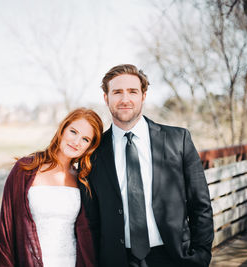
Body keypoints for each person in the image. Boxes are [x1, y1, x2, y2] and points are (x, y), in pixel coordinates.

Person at [85, 64, 214, 267]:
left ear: (143, 96)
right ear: (106, 97)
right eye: (117, 92)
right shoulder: (93, 152)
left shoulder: (177, 140)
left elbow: (201, 204)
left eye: (132, 92)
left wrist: (201, 255)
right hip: (117, 260)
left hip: (174, 258)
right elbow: (92, 219)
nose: (125, 99)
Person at [0, 108, 103, 267]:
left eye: (85, 139)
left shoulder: (84, 180)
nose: (76, 142)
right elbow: (6, 230)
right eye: (73, 132)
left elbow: (89, 234)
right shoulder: (25, 169)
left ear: (90, 146)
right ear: (62, 129)